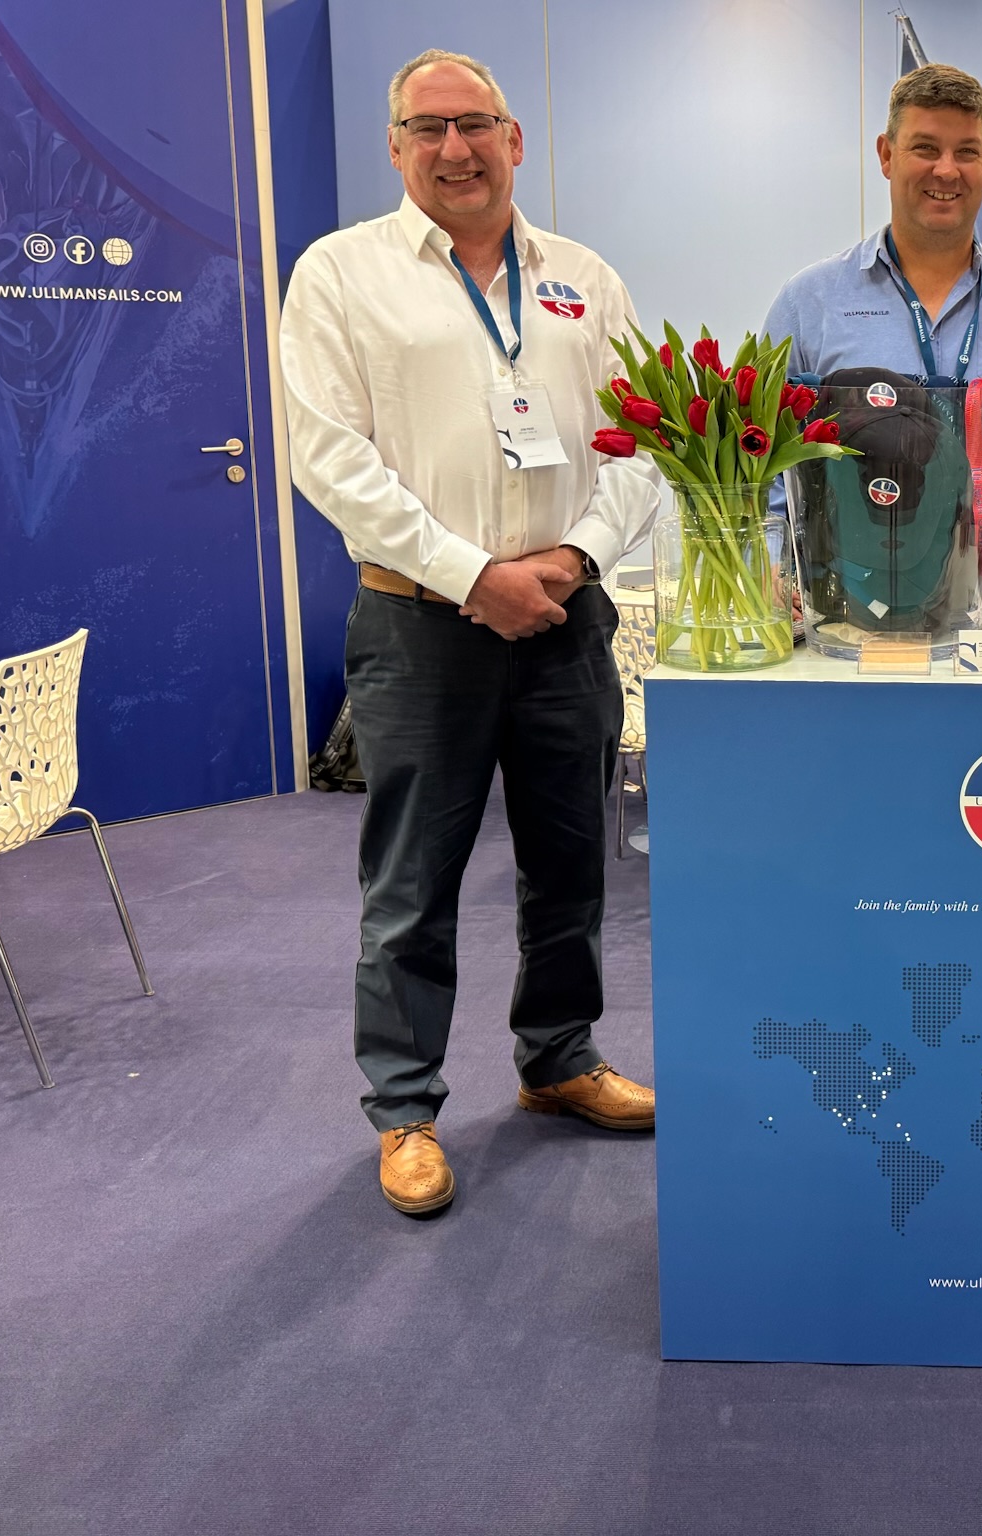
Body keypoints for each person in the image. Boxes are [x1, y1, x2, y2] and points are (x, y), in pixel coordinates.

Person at [281, 49, 662, 1217]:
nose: (456, 149)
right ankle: (405, 1108)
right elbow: (330, 458)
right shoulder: (341, 274)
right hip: (418, 626)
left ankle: (559, 1058)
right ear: (396, 146)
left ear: (514, 140)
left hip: (564, 618)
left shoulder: (582, 279)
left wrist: (572, 558)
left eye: (476, 125)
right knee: (411, 881)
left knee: (570, 862)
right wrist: (470, 576)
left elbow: (642, 441)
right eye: (429, 128)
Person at [762, 63, 982, 628]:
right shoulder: (809, 304)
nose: (946, 170)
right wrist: (771, 572)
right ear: (886, 154)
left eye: (967, 152)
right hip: (842, 642)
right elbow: (764, 470)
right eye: (925, 148)